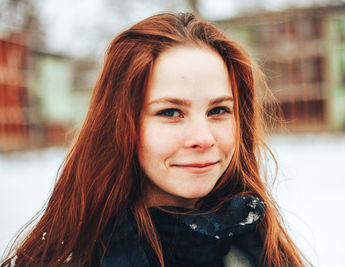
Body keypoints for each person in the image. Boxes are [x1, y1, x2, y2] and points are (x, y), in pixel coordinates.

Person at [1, 12, 308, 267]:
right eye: (171, 112)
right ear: (121, 126)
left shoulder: (261, 247)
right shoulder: (73, 258)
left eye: (219, 110)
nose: (203, 138)